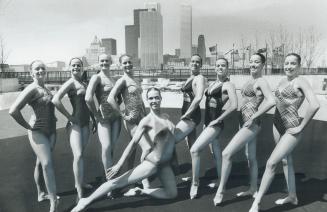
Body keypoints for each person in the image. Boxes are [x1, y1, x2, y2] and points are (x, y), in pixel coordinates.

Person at [71, 87, 178, 212]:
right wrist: (119, 164)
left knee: (172, 194)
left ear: (161, 98)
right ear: (147, 101)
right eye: (151, 98)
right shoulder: (147, 120)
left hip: (165, 165)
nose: (154, 100)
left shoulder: (166, 117)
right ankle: (86, 201)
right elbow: (133, 144)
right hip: (152, 163)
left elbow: (170, 142)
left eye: (156, 97)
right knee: (117, 182)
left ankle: (142, 191)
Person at [249, 53, 320, 212]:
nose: (288, 66)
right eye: (286, 63)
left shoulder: (300, 81)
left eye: (293, 63)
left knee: (271, 163)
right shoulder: (282, 80)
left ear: (299, 66)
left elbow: (314, 105)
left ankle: (257, 202)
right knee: (286, 161)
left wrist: (301, 127)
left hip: (291, 127)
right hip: (277, 124)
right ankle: (292, 196)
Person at [213, 53, 276, 205]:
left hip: (252, 123)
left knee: (226, 153)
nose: (253, 64)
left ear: (262, 65)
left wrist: (254, 117)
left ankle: (220, 190)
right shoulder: (251, 80)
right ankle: (253, 188)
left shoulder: (261, 81)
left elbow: (271, 101)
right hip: (244, 122)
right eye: (251, 61)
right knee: (251, 157)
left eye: (257, 62)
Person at [9, 60, 58, 212]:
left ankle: (41, 193)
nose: (40, 71)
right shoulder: (31, 89)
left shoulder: (45, 87)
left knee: (40, 163)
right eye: (37, 69)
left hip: (51, 131)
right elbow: (13, 110)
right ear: (31, 73)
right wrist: (28, 127)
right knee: (47, 164)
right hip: (38, 131)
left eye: (43, 68)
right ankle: (54, 202)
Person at [189, 58, 238, 199]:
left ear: (227, 68)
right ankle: (221, 182)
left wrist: (218, 119)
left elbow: (234, 105)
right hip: (208, 122)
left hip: (215, 124)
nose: (220, 68)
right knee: (216, 154)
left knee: (194, 150)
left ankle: (195, 183)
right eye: (218, 65)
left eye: (223, 65)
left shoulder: (228, 84)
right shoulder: (212, 83)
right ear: (214, 68)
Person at [52, 58, 96, 200]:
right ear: (70, 68)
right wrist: (69, 117)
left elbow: (89, 104)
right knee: (77, 155)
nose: (76, 67)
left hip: (86, 123)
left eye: (79, 65)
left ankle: (81, 182)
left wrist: (94, 120)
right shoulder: (70, 83)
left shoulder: (84, 83)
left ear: (82, 68)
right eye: (74, 65)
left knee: (81, 155)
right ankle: (78, 189)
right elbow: (56, 99)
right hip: (75, 124)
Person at [107, 54, 151, 189]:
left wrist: (147, 114)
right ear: (121, 65)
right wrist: (121, 114)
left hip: (142, 117)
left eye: (129, 62)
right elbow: (110, 98)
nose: (128, 65)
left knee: (133, 148)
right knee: (147, 147)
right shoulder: (122, 80)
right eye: (124, 63)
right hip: (131, 119)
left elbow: (139, 98)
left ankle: (129, 178)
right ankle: (144, 179)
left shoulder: (136, 79)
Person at [85, 54, 121, 174]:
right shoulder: (96, 78)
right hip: (104, 118)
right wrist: (96, 116)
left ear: (110, 62)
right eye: (102, 61)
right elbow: (88, 98)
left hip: (116, 118)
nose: (104, 63)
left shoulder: (114, 79)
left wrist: (118, 110)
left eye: (107, 61)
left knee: (112, 148)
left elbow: (119, 98)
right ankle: (109, 179)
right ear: (98, 62)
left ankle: (110, 173)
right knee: (106, 147)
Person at [174, 54, 206, 148]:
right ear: (189, 64)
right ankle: (195, 162)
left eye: (197, 62)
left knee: (172, 139)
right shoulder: (190, 78)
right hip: (187, 113)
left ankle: (172, 163)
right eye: (193, 61)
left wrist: (187, 114)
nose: (195, 63)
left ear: (201, 65)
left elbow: (199, 97)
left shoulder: (199, 78)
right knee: (191, 144)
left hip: (191, 115)